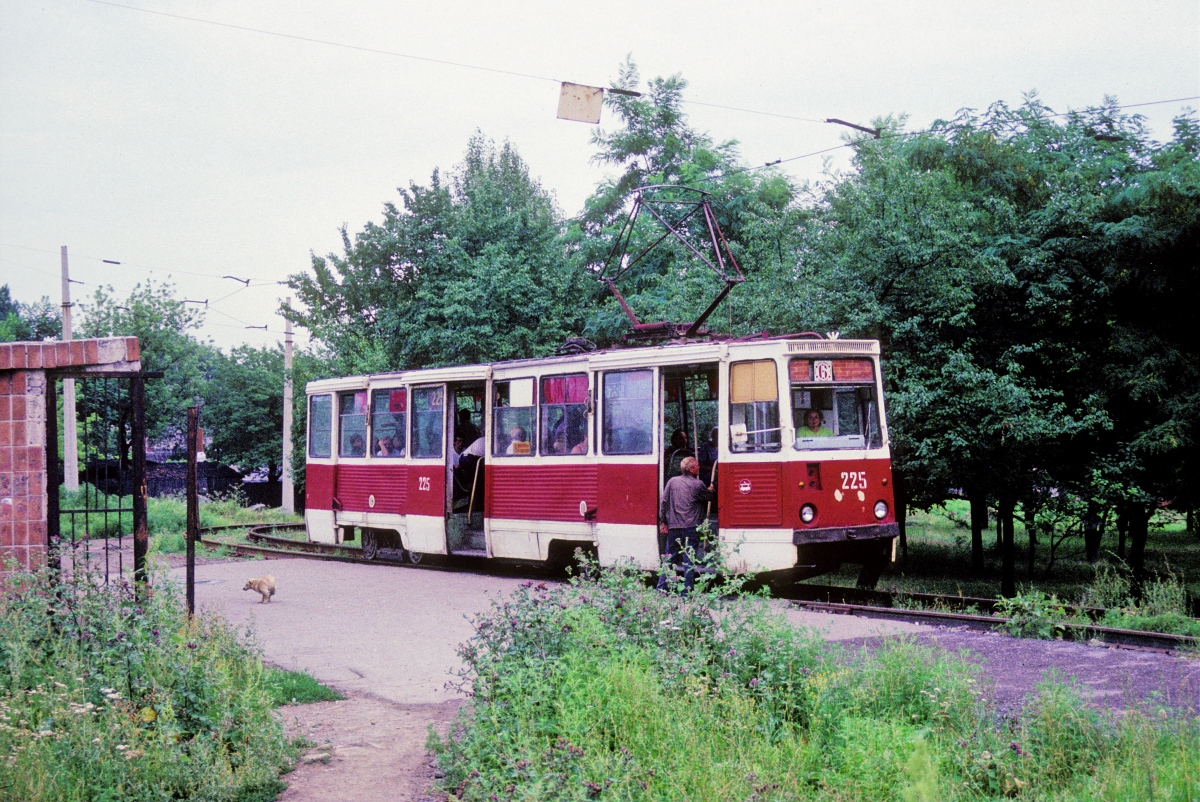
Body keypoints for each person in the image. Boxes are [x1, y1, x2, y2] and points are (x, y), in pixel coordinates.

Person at [657, 456, 713, 593]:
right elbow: (708, 498)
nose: (699, 467)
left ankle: (661, 588)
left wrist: (663, 521)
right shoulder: (698, 484)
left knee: (669, 558)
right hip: (691, 527)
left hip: (674, 526)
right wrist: (710, 489)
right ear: (692, 469)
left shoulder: (672, 482)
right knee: (689, 560)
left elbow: (663, 503)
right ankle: (686, 591)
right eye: (697, 465)